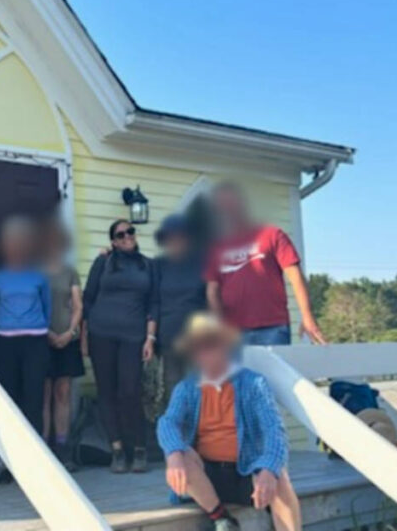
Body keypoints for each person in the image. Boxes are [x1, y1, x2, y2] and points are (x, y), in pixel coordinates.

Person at [157, 313, 301, 531]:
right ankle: (221, 518)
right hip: (205, 475)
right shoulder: (187, 387)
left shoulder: (253, 384)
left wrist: (268, 470)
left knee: (280, 478)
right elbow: (168, 422)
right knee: (182, 453)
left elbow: (275, 430)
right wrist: (174, 455)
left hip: (244, 471)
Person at [204, 182, 327, 346]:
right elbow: (212, 291)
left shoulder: (272, 235)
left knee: (273, 373)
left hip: (273, 328)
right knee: (240, 373)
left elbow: (295, 276)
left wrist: (307, 315)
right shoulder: (217, 249)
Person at [83, 219, 159, 474]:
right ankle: (116, 449)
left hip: (133, 337)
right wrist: (84, 336)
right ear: (113, 241)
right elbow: (88, 299)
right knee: (106, 392)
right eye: (121, 234)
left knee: (129, 391)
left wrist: (150, 338)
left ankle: (138, 448)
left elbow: (154, 304)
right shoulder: (103, 262)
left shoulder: (148, 266)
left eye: (131, 232)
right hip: (100, 334)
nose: (128, 236)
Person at [0, 216, 52, 484]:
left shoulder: (39, 274)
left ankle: (35, 463)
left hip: (35, 342)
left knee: (33, 402)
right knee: (9, 404)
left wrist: (34, 327)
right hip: (5, 343)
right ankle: (9, 464)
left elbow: (47, 308)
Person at [40, 221, 84, 470]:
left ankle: (63, 448)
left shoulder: (70, 271)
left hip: (67, 339)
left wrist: (70, 332)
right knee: (45, 393)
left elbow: (78, 304)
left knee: (63, 393)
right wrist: (47, 333)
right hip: (43, 338)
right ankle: (44, 447)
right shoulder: (35, 271)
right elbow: (32, 304)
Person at [154, 213, 206, 390]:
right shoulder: (157, 265)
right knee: (175, 389)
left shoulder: (201, 264)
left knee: (199, 388)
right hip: (169, 338)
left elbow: (212, 298)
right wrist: (110, 254)